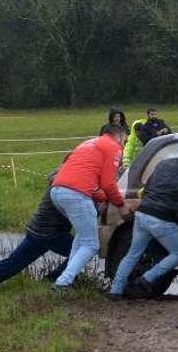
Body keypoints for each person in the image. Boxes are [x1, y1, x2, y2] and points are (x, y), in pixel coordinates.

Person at [0, 171, 72, 296]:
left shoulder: (60, 179)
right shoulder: (70, 184)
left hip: (37, 230)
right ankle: (52, 281)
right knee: (84, 250)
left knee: (14, 263)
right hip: (51, 233)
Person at [50, 124, 132, 290]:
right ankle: (62, 283)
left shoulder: (89, 143)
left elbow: (89, 181)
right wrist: (121, 205)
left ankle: (67, 278)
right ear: (120, 135)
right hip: (76, 195)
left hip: (58, 191)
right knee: (91, 244)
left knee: (82, 237)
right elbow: (108, 184)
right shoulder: (113, 147)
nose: (124, 144)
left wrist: (103, 198)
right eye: (125, 140)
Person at [110, 157, 178, 298]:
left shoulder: (163, 163)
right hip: (161, 219)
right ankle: (147, 279)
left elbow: (146, 187)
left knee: (132, 254)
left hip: (142, 213)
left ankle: (115, 290)